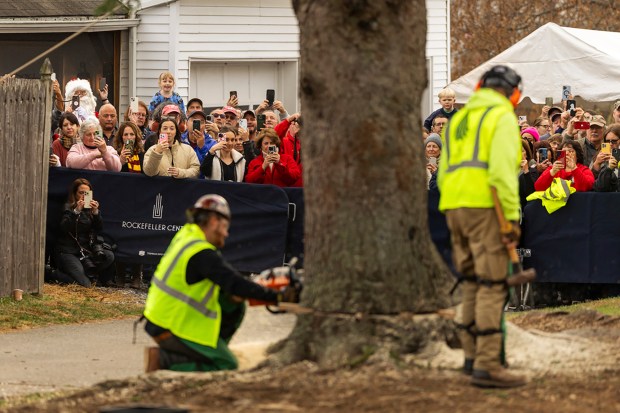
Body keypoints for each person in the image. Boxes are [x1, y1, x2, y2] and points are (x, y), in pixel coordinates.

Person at [437, 65, 526, 388]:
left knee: (472, 281)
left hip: (454, 207)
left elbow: (444, 171)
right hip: (488, 208)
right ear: (511, 92)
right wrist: (511, 216)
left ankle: (471, 357)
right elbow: (502, 172)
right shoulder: (501, 117)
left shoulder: (459, 118)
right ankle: (489, 364)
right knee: (492, 284)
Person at [142, 195, 298, 371]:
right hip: (169, 324)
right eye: (225, 227)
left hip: (163, 316)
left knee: (233, 301)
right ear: (214, 221)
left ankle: (214, 347)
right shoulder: (201, 252)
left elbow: (230, 283)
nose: (226, 234)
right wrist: (278, 296)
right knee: (227, 364)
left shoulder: (186, 237)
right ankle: (164, 361)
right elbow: (234, 282)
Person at [54, 178, 115, 287]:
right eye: (80, 193)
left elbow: (99, 228)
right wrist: (76, 211)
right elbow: (64, 228)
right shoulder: (68, 207)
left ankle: (87, 274)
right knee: (85, 285)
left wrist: (96, 213)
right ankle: (53, 274)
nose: (83, 196)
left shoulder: (89, 209)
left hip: (85, 250)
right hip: (68, 251)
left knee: (109, 256)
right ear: (74, 193)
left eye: (86, 193)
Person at [592, 124, 620, 192]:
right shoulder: (599, 156)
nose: (610, 144)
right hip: (605, 199)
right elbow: (596, 185)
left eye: (614, 141)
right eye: (607, 141)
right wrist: (596, 164)